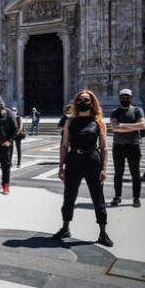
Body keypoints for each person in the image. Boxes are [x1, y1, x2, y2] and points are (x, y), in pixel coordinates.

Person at [54, 90, 113, 247]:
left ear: (92, 102)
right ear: (76, 102)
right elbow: (64, 144)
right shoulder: (70, 121)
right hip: (73, 160)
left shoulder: (98, 121)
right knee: (69, 196)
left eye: (86, 100)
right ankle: (65, 228)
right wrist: (61, 166)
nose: (83, 102)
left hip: (92, 159)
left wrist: (104, 169)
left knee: (97, 197)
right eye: (80, 99)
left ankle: (103, 232)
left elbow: (104, 147)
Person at [110, 89, 145, 208]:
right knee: (118, 174)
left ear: (131, 98)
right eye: (123, 97)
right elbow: (114, 128)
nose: (125, 99)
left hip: (133, 145)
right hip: (118, 146)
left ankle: (136, 198)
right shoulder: (115, 111)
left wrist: (122, 126)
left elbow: (142, 125)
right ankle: (117, 197)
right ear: (119, 98)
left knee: (135, 174)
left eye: (127, 97)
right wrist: (133, 126)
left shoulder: (137, 110)